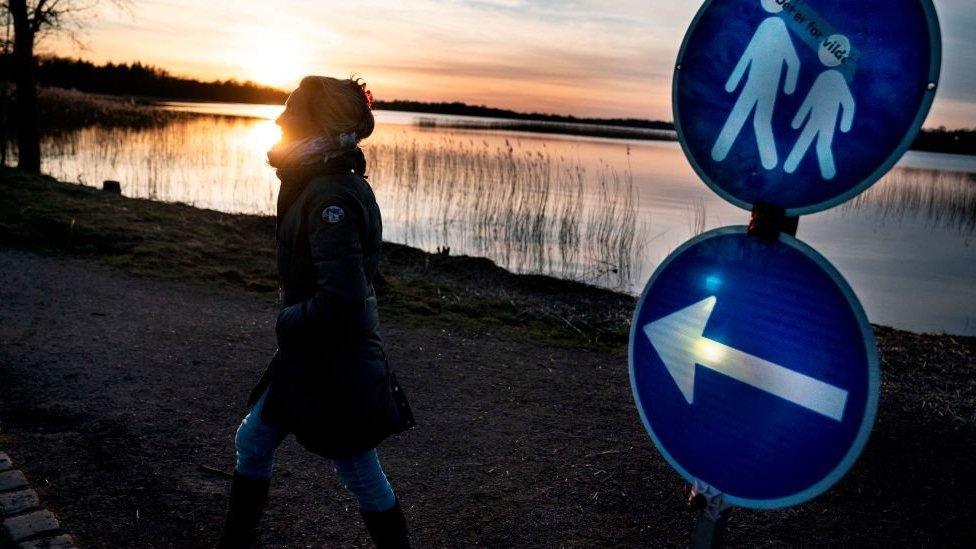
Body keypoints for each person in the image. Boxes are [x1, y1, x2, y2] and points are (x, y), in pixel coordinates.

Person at [217, 76, 415, 549]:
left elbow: (343, 300)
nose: (281, 118)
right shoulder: (315, 182)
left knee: (360, 472)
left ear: (316, 125)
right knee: (254, 442)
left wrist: (288, 321)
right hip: (307, 356)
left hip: (335, 362)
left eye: (292, 110)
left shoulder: (330, 197)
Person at [711, 0, 801, 170]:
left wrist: (789, 88)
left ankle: (769, 164)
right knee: (745, 117)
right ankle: (721, 155)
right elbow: (748, 54)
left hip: (768, 87)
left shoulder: (779, 28)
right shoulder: (766, 26)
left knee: (759, 121)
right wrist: (733, 80)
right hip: (754, 83)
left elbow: (794, 62)